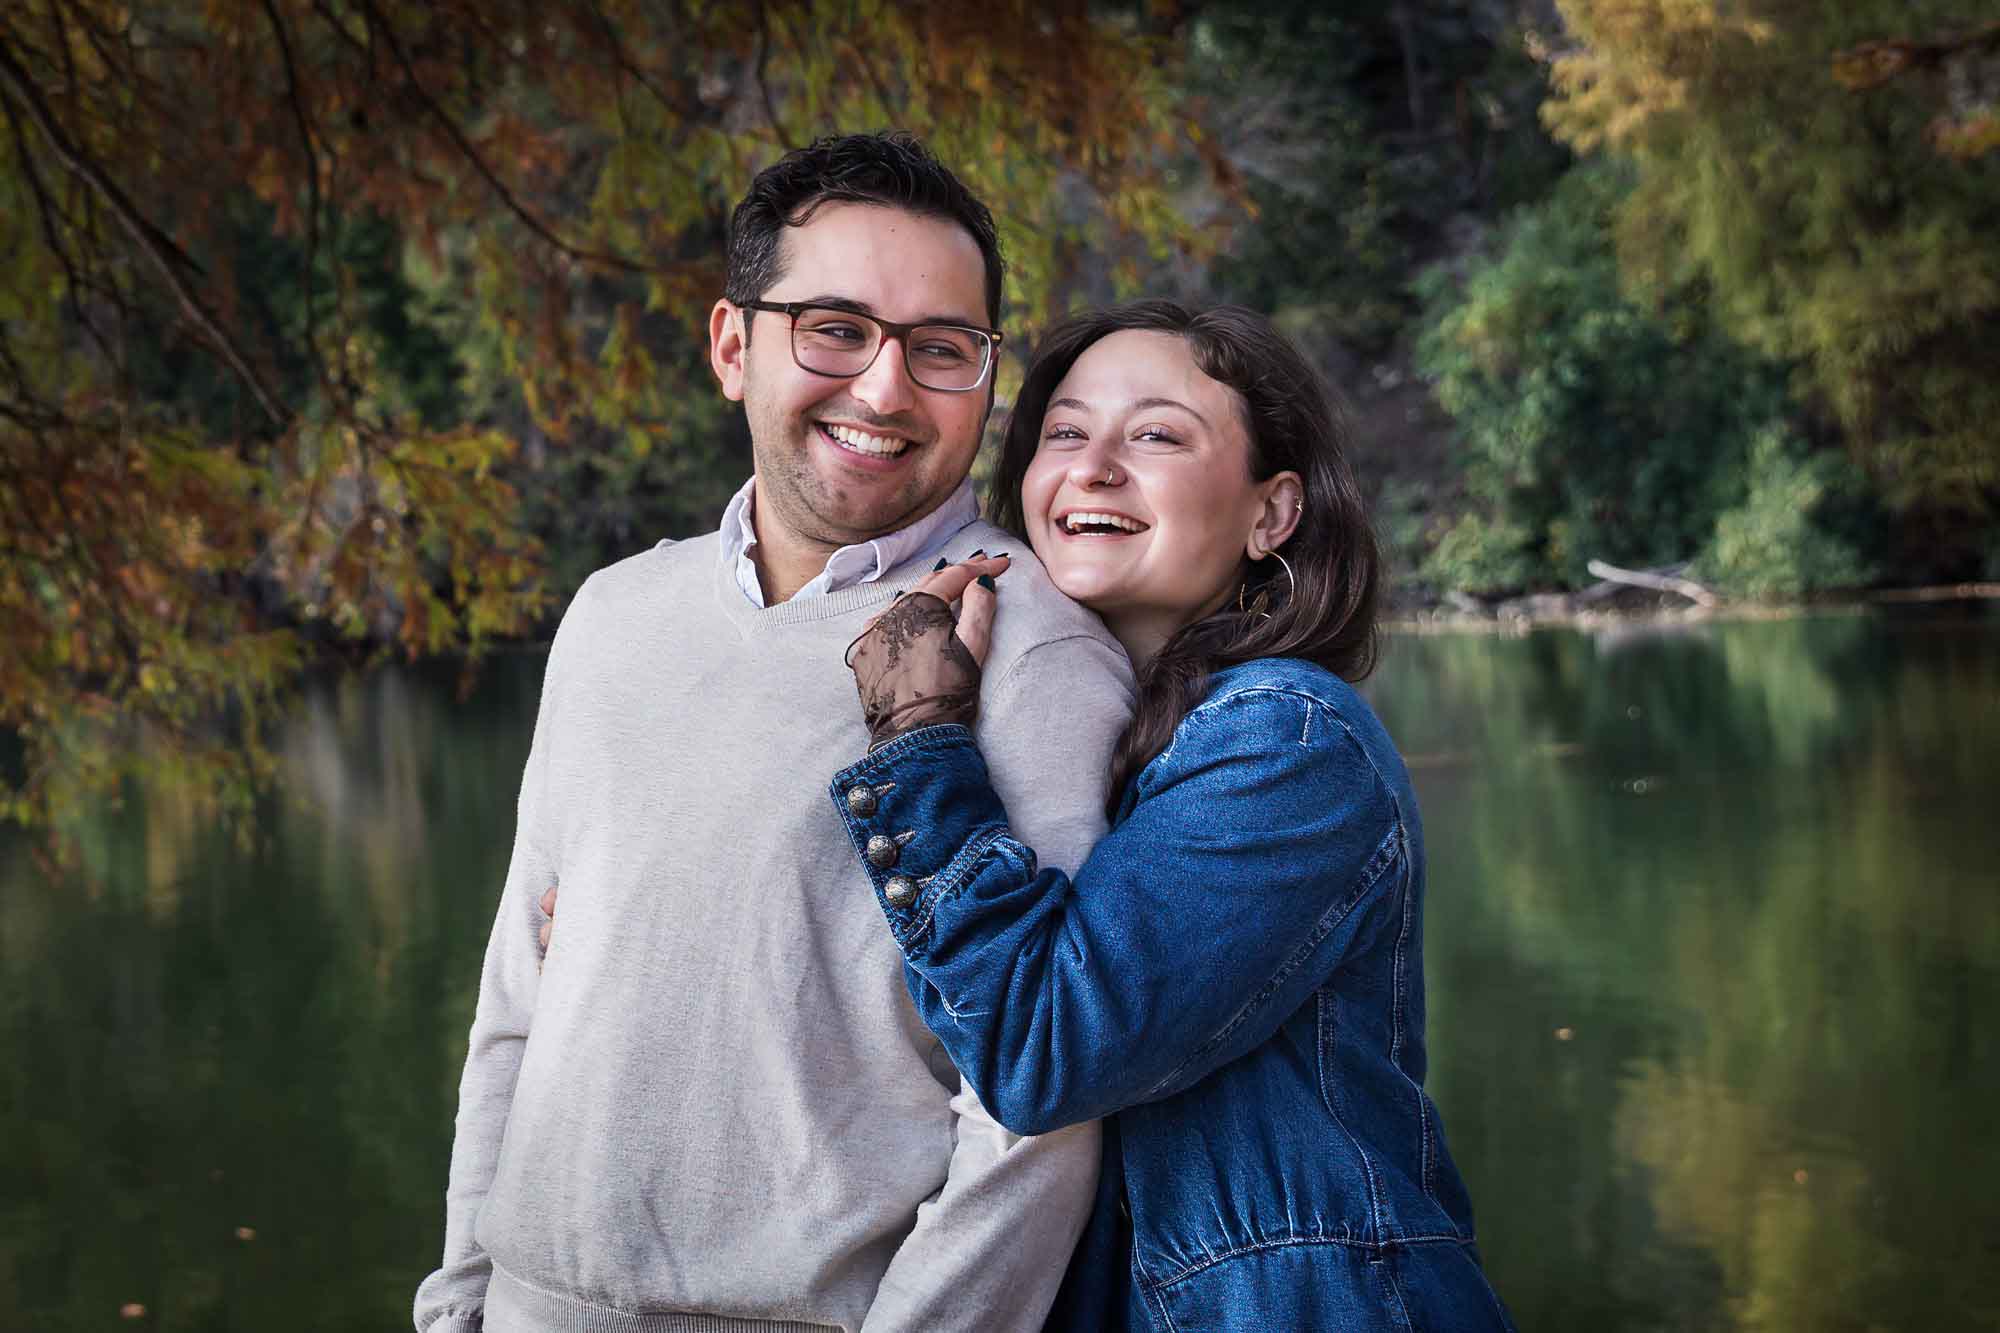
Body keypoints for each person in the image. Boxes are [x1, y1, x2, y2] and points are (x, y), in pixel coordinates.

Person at [413, 133, 1134, 1333]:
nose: (887, 389)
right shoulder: (613, 616)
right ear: (732, 346)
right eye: (835, 329)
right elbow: (516, 1003)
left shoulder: (1023, 643)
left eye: (940, 349)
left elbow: (1032, 1105)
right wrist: (459, 1298)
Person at [832, 301, 1517, 1330]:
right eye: (1064, 431)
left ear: (1269, 514)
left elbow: (1043, 1045)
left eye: (1154, 434)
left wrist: (918, 732)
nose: (1095, 465)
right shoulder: (1096, 757)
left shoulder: (1287, 738)